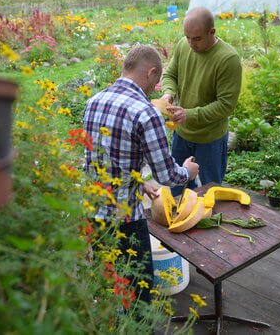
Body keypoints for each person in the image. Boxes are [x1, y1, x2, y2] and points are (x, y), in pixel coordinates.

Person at [82, 44, 199, 306]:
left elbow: (102, 160)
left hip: (94, 214)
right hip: (125, 222)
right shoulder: (146, 113)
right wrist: (187, 172)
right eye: (156, 82)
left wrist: (139, 182)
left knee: (108, 289)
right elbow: (167, 175)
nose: (154, 89)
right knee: (137, 297)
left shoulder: (94, 101)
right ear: (151, 72)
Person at [159, 6, 242, 196]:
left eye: (196, 38)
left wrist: (189, 114)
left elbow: (225, 106)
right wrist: (168, 93)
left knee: (211, 192)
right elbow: (170, 74)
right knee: (177, 191)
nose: (191, 43)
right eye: (187, 37)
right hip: (182, 135)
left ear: (212, 32)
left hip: (210, 139)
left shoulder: (228, 59)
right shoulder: (183, 45)